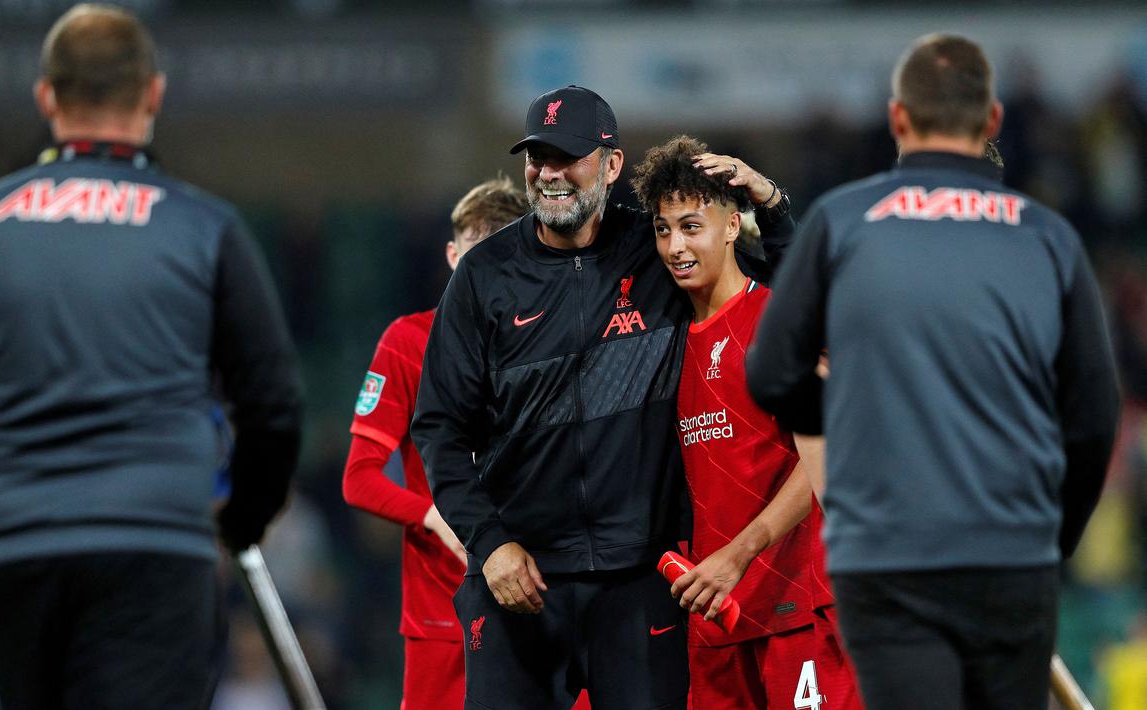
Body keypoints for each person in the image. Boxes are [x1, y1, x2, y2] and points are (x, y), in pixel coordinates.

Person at [0, 5, 303, 709]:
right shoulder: (201, 225)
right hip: (154, 537)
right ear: (152, 94)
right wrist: (242, 515)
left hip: (11, 541)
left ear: (46, 98)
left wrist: (9, 434)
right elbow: (273, 402)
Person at [746, 34, 1120, 710]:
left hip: (887, 553)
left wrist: (844, 434)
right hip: (1010, 551)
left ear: (896, 119)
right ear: (993, 120)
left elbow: (771, 373)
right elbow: (1093, 416)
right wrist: (1053, 536)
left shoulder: (841, 220)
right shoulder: (1046, 237)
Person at [411, 85, 794, 709]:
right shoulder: (485, 276)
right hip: (520, 581)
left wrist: (771, 204)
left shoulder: (658, 250)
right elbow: (439, 430)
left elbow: (796, 290)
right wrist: (491, 545)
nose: (549, 174)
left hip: (640, 582)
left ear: (612, 165)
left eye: (568, 156)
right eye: (537, 158)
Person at [629, 135, 861, 710]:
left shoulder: (777, 322)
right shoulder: (661, 343)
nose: (675, 246)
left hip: (797, 602)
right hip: (714, 614)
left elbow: (827, 459)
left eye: (691, 226)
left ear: (733, 226)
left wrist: (740, 554)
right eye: (663, 230)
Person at [343, 175, 579, 710]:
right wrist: (433, 516)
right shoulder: (407, 342)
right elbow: (358, 479)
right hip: (441, 613)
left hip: (549, 598)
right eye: (476, 253)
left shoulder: (563, 335)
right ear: (453, 255)